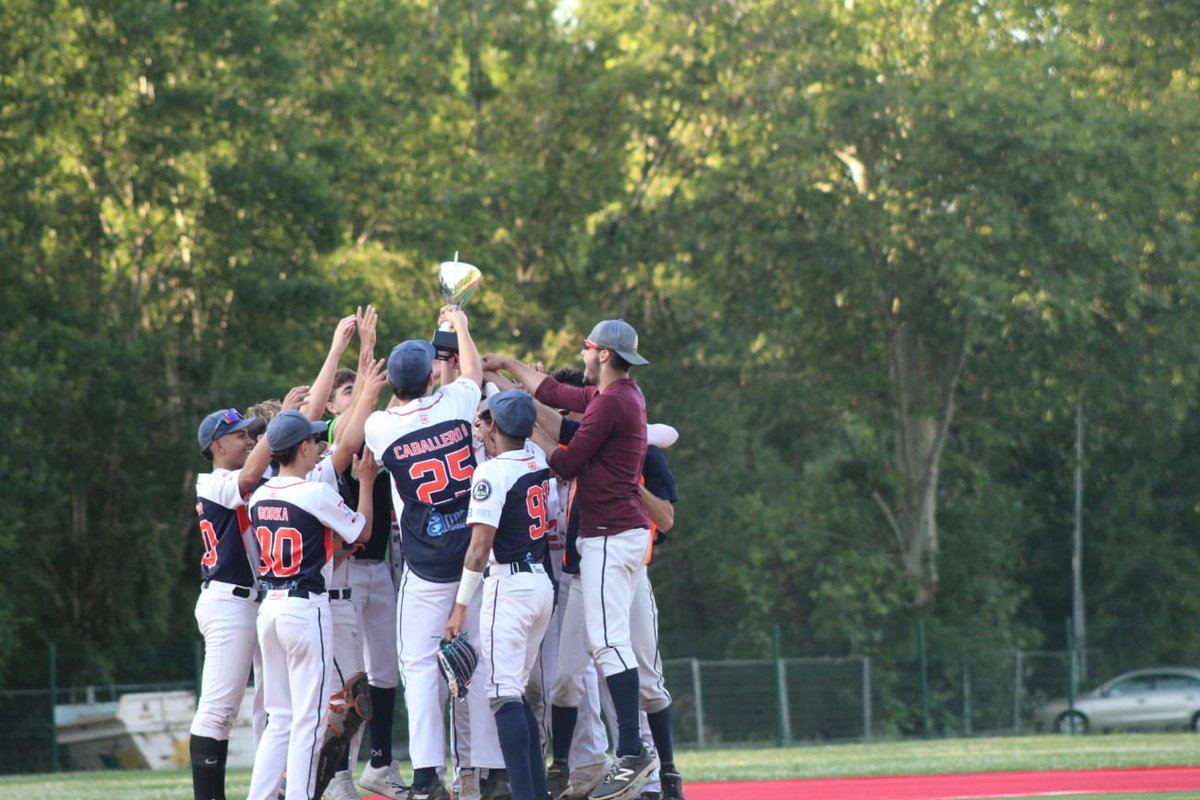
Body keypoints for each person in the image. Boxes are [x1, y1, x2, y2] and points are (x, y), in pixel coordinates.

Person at [484, 318, 658, 800]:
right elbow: (558, 398)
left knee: (608, 644)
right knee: (601, 649)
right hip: (617, 534)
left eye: (587, 346)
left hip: (608, 534)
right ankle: (628, 750)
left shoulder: (616, 400)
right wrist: (506, 372)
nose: (582, 352)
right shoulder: (619, 395)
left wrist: (521, 432)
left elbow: (563, 459)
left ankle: (631, 752)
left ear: (602, 353)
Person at [363, 306, 493, 800]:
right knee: (477, 663)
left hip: (423, 562)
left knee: (418, 667)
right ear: (430, 376)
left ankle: (426, 776)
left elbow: (365, 434)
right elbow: (474, 373)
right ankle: (488, 768)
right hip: (472, 556)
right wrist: (459, 325)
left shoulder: (380, 426)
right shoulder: (456, 404)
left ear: (393, 382)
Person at [245, 410, 371, 800]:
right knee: (310, 719)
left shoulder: (260, 496)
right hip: (305, 609)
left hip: (270, 608)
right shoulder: (314, 493)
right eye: (314, 441)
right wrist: (365, 481)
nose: (318, 446)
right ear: (302, 447)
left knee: (278, 718)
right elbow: (361, 530)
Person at [446, 390, 555, 800]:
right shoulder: (537, 459)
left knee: (502, 695)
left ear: (492, 426)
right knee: (516, 692)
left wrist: (459, 606)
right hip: (539, 584)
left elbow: (479, 548)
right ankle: (537, 792)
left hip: (508, 586)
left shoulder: (491, 472)